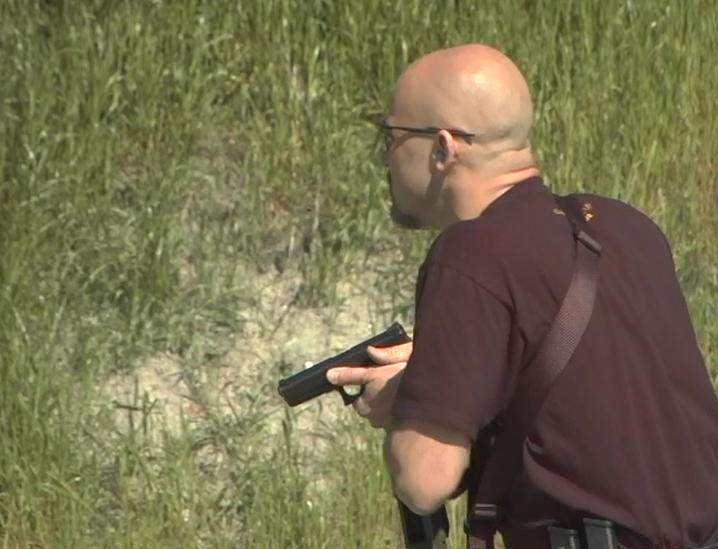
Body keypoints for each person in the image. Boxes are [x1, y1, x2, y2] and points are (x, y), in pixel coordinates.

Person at [326, 43, 718, 549]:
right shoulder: (628, 228)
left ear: (443, 148)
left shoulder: (471, 252)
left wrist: (403, 403)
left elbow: (425, 482)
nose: (385, 155)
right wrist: (440, 368)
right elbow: (589, 397)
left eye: (392, 136)